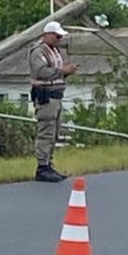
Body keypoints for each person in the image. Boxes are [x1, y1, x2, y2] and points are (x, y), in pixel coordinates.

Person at [28, 20, 76, 182]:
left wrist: (66, 73)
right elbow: (41, 71)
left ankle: (48, 164)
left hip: (56, 97)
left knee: (54, 133)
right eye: (57, 36)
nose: (59, 39)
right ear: (47, 34)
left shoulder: (54, 51)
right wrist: (62, 71)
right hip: (46, 97)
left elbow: (54, 73)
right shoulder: (38, 51)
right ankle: (42, 167)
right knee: (46, 132)